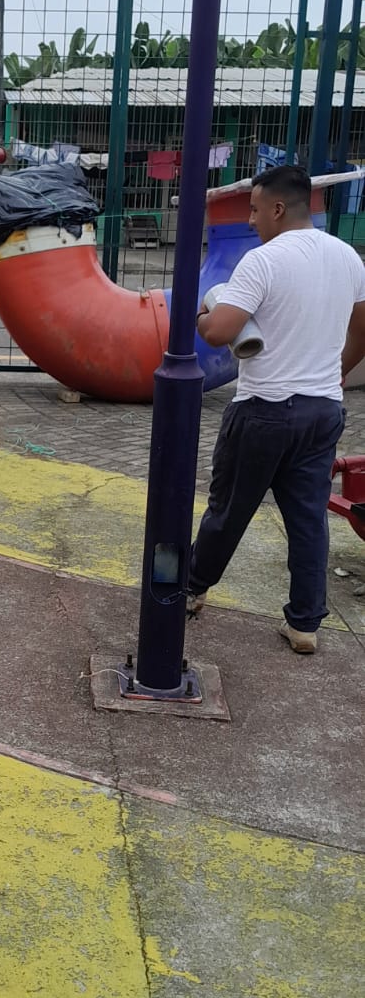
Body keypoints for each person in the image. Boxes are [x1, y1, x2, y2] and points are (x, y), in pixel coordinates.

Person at [188, 164, 365, 653]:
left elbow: (221, 332)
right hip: (322, 411)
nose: (251, 220)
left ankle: (191, 589)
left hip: (264, 409)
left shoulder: (262, 260)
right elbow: (363, 330)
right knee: (308, 519)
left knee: (229, 510)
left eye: (255, 210)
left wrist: (203, 314)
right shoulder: (348, 257)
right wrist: (336, 372)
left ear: (279, 208)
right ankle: (305, 624)